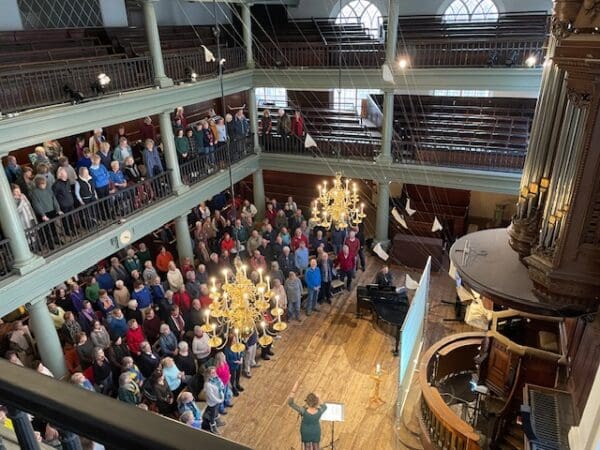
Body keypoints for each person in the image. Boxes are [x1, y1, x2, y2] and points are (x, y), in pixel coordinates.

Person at [287, 380, 327, 450]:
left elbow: (290, 403)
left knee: (307, 447)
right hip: (316, 431)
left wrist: (293, 390)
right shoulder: (320, 411)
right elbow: (324, 406)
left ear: (307, 402)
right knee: (316, 447)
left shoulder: (303, 411)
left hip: (305, 431)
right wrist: (319, 398)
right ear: (316, 402)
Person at [204, 366, 225, 434]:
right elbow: (211, 396)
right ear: (209, 375)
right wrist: (219, 400)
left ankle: (218, 422)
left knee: (216, 412)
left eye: (215, 372)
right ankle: (213, 427)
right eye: (212, 373)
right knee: (212, 415)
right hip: (213, 402)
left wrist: (221, 396)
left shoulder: (217, 378)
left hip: (219, 399)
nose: (215, 373)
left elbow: (221, 385)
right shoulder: (207, 384)